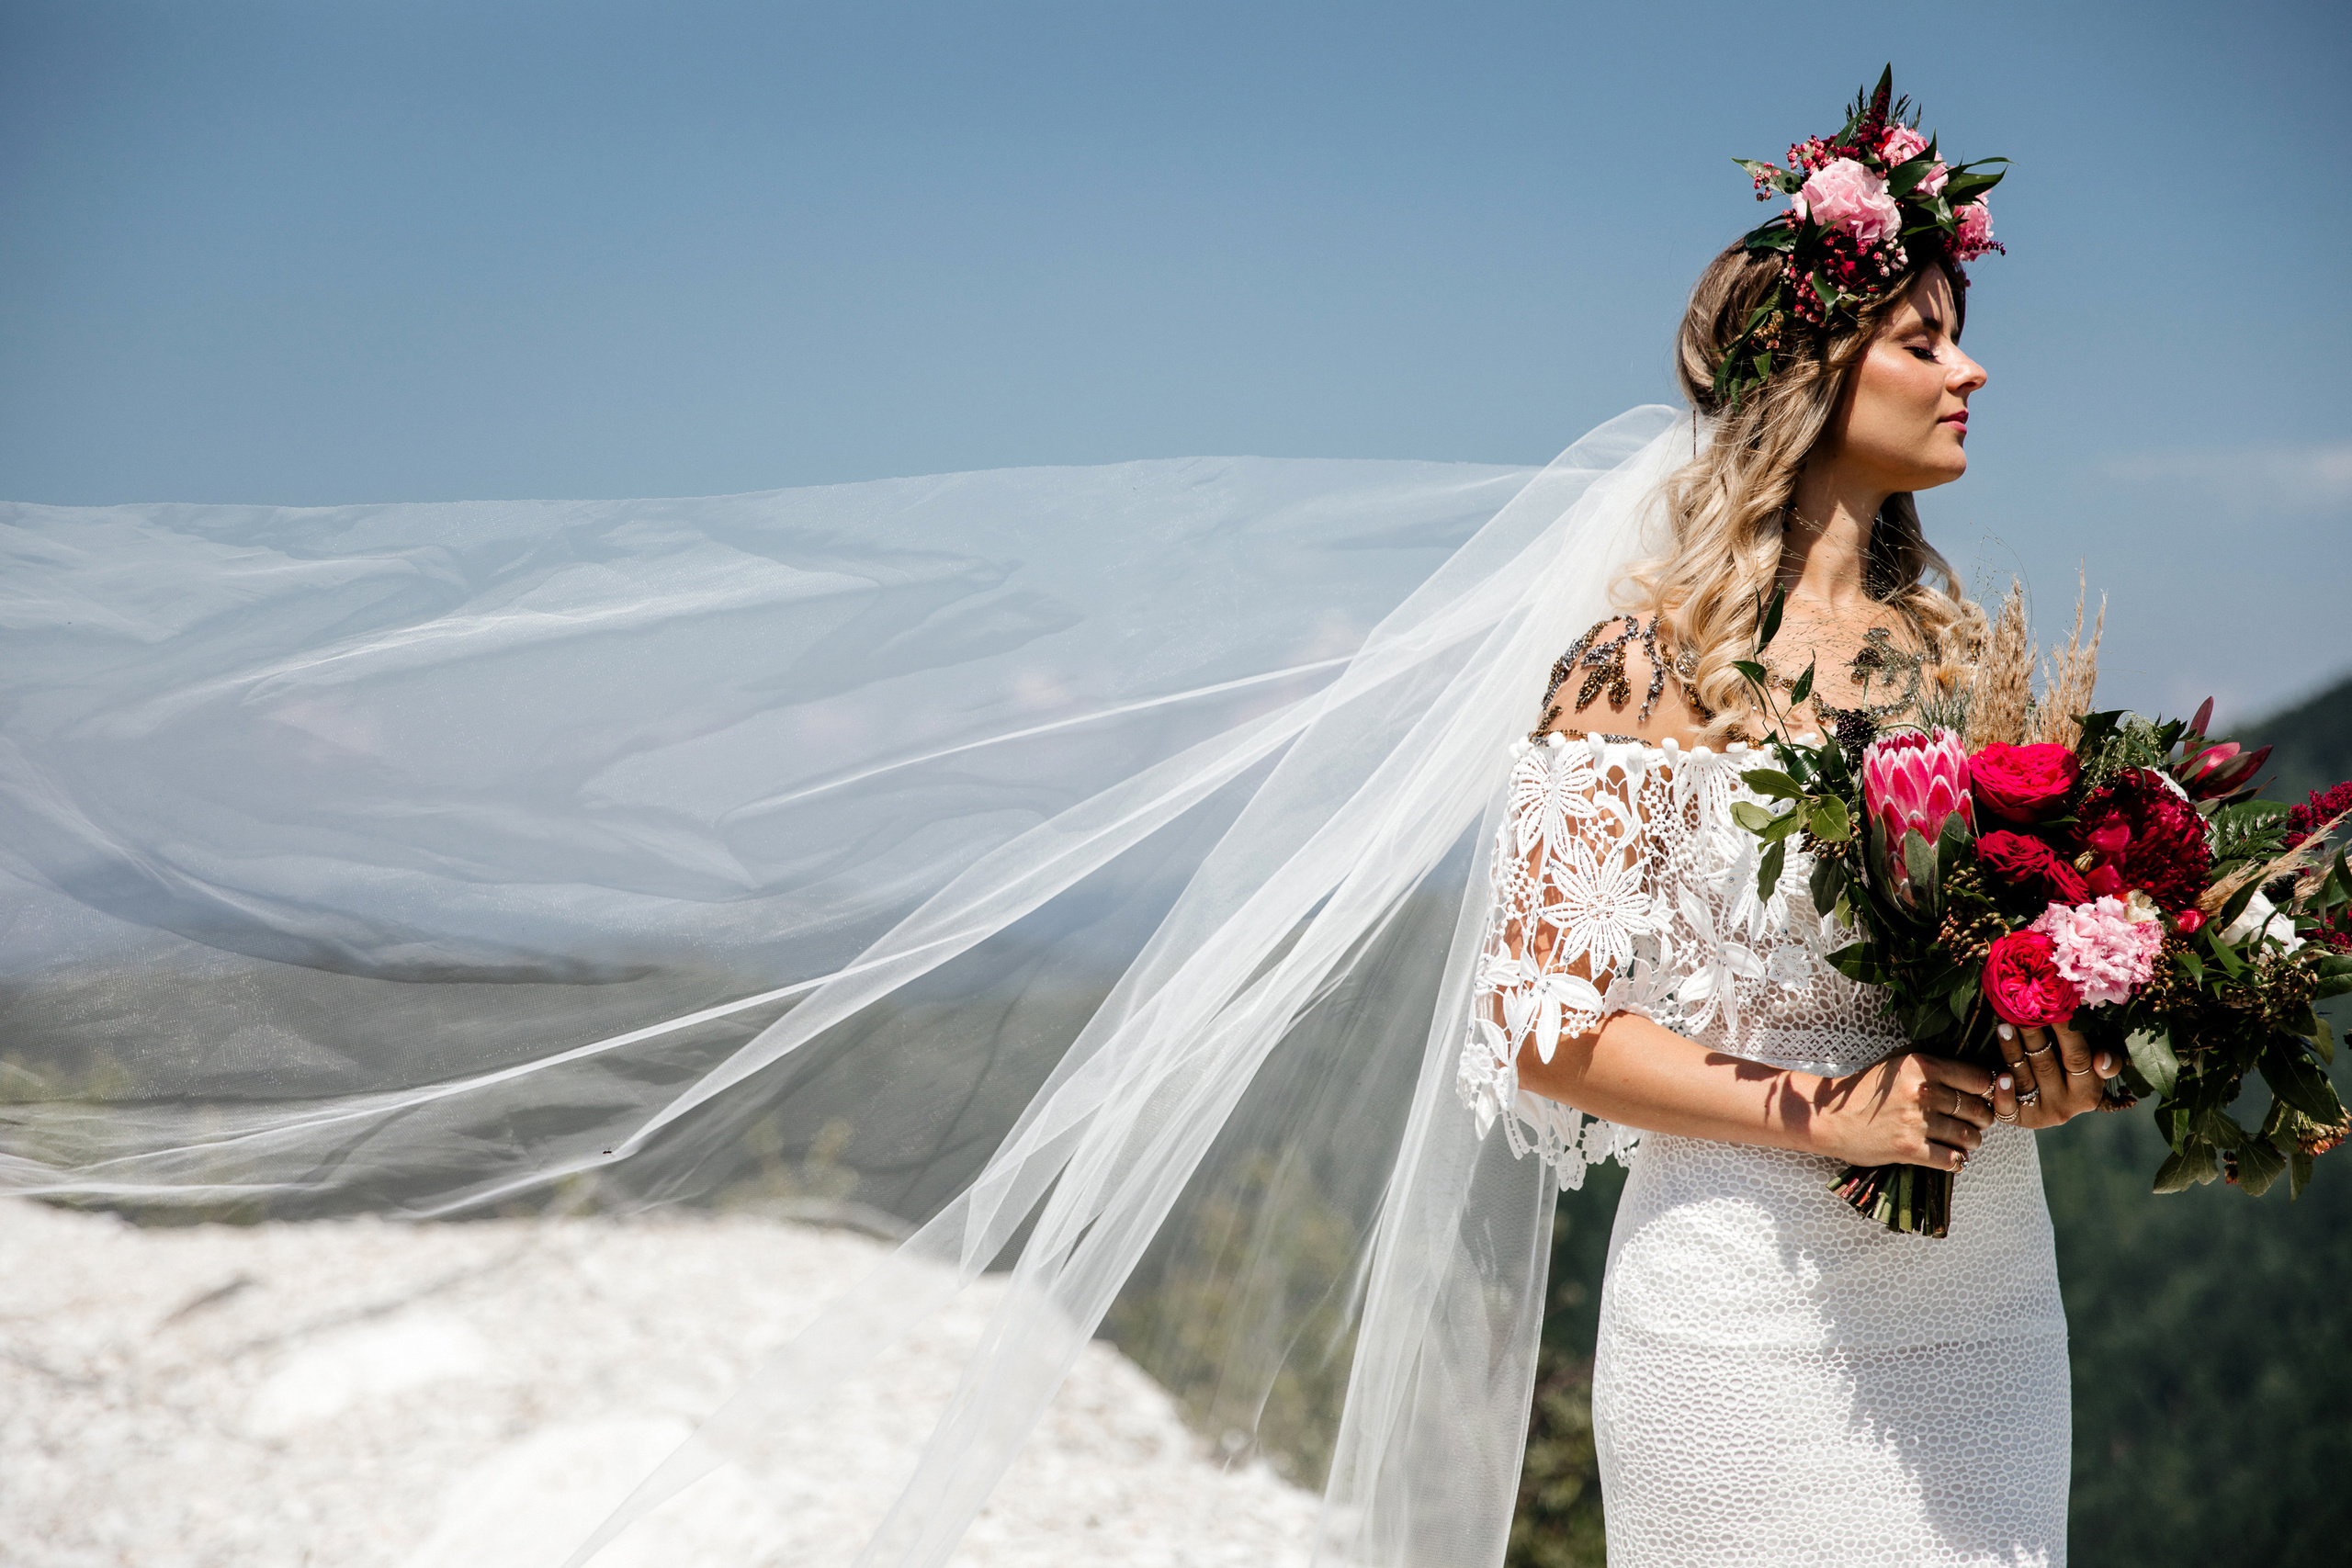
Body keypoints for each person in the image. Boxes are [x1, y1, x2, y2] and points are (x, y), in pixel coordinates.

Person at [1454, 88, 2114, 1566]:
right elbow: (1543, 1025)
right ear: (1816, 375)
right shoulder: (1641, 668)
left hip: (1987, 1313)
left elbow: (1995, 967)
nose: (1973, 370)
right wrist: (1830, 1113)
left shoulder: (1965, 670)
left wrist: (2060, 1062)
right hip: (1736, 1319)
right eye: (1924, 339)